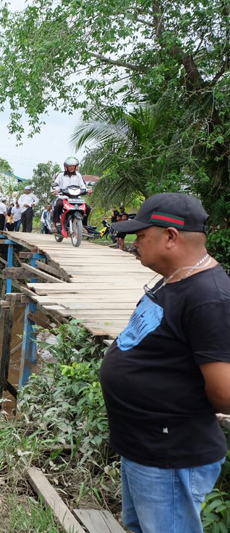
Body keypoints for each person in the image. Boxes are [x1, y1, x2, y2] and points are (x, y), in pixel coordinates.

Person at [100, 193, 230, 533]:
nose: (133, 241)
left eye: (142, 234)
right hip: (143, 448)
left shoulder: (209, 298)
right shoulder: (176, 278)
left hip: (171, 455)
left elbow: (224, 393)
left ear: (170, 237)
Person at [52, 156, 92, 231]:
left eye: (73, 166)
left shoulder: (78, 175)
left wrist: (87, 190)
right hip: (63, 197)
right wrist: (56, 190)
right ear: (66, 167)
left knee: (88, 208)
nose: (71, 168)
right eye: (70, 166)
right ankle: (54, 224)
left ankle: (83, 225)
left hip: (76, 198)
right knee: (58, 205)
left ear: (75, 167)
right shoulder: (60, 175)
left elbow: (83, 186)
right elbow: (55, 184)